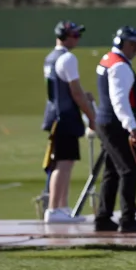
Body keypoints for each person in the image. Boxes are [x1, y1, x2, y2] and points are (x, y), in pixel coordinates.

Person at [94, 26, 136, 233]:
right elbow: (120, 102)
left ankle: (103, 217)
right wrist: (132, 127)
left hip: (108, 122)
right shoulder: (120, 66)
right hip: (116, 125)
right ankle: (128, 219)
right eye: (132, 44)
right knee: (128, 169)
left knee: (112, 171)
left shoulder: (108, 59)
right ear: (121, 43)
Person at [41, 20, 97, 223]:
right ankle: (55, 209)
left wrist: (84, 96)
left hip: (57, 115)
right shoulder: (68, 58)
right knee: (63, 164)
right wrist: (92, 117)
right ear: (64, 36)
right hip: (66, 116)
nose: (78, 39)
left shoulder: (50, 58)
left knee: (65, 162)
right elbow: (75, 92)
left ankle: (62, 207)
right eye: (75, 35)